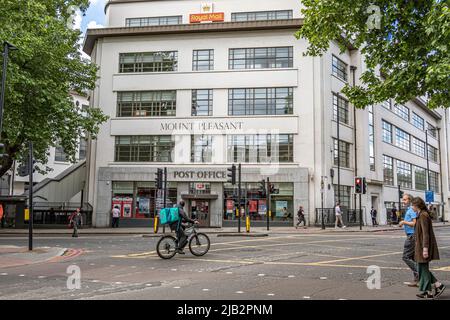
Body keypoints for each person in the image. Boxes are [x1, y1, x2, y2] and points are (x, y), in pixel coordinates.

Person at [410, 197, 446, 299]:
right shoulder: (421, 214)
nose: (411, 207)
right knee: (422, 268)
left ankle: (438, 286)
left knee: (422, 268)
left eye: (412, 205)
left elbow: (426, 234)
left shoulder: (423, 215)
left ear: (417, 205)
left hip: (423, 247)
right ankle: (430, 291)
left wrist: (425, 249)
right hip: (420, 246)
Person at [398, 193, 419, 287]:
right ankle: (417, 280)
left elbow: (415, 223)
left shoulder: (411, 210)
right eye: (403, 199)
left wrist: (403, 222)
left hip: (411, 236)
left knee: (405, 257)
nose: (403, 201)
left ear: (410, 200)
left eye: (405, 200)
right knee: (413, 258)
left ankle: (420, 273)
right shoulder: (409, 210)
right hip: (411, 236)